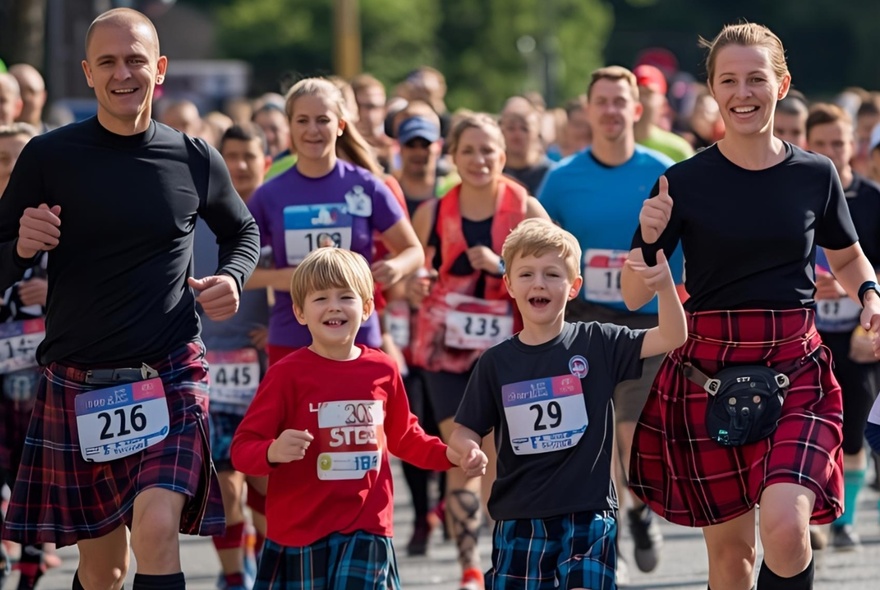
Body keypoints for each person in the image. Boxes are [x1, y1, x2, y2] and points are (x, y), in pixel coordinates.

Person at [0, 8, 261, 590]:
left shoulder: (193, 157)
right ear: (88, 73)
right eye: (110, 62)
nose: (125, 74)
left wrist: (234, 277)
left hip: (168, 371)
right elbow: (0, 255)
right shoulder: (48, 157)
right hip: (79, 381)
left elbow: (243, 231)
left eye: (136, 59)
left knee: (157, 528)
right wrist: (19, 246)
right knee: (103, 571)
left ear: (160, 68)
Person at [624, 23, 880, 590]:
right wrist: (645, 240)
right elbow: (633, 292)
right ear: (713, 91)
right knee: (733, 559)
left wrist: (870, 294)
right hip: (708, 373)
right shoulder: (681, 182)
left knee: (788, 529)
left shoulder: (816, 173)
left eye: (756, 79)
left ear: (781, 84)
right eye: (730, 80)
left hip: (796, 367)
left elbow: (847, 257)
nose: (744, 92)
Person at [447, 218, 686, 589]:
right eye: (526, 274)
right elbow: (465, 430)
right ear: (509, 284)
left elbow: (672, 335)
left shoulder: (598, 342)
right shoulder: (495, 362)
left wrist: (665, 286)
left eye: (552, 274)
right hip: (519, 516)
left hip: (588, 514)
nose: (539, 283)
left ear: (573, 287)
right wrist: (468, 451)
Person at [230, 247, 484, 589]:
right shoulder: (285, 375)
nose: (334, 306)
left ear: (366, 309)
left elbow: (406, 437)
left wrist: (449, 455)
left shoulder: (382, 369)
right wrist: (273, 451)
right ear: (300, 312)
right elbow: (242, 450)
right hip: (301, 531)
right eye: (320, 298)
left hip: (368, 527)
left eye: (345, 296)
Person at [538, 64, 677, 578]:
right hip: (585, 322)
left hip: (643, 322)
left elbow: (687, 242)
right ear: (588, 110)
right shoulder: (562, 179)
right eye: (603, 101)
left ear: (636, 110)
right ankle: (610, 525)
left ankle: (636, 509)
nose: (612, 110)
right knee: (594, 435)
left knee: (631, 435)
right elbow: (543, 248)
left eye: (622, 101)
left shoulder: (663, 169)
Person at [410, 112, 549, 590]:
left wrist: (504, 262)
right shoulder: (432, 211)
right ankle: (470, 568)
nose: (478, 159)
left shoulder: (526, 207)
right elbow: (414, 271)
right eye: (467, 150)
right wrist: (417, 282)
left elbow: (558, 263)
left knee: (501, 459)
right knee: (465, 452)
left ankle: (503, 557)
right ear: (452, 157)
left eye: (487, 150)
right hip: (447, 353)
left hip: (509, 352)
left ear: (503, 156)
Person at [245, 77, 424, 367]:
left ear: (340, 125)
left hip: (358, 336)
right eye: (302, 120)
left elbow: (413, 251)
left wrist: (396, 267)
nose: (313, 130)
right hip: (291, 339)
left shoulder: (367, 185)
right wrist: (280, 278)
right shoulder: (269, 194)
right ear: (290, 126)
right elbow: (236, 269)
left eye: (323, 120)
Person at [194, 123, 273, 590]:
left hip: (265, 373)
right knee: (222, 487)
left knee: (264, 483)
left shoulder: (272, 211)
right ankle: (233, 578)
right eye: (232, 156)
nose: (241, 165)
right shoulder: (196, 215)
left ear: (265, 158)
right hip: (207, 371)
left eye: (250, 156)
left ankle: (266, 567)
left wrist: (284, 325)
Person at [804, 102, 880, 551]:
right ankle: (811, 509)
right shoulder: (797, 191)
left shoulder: (872, 200)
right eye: (822, 144)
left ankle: (844, 521)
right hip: (806, 335)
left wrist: (863, 314)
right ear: (808, 146)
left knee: (853, 430)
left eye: (840, 143)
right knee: (810, 428)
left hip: (860, 334)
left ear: (855, 146)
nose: (832, 151)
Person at [632, 64, 695, 163]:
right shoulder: (610, 144)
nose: (641, 99)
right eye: (637, 92)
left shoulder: (678, 150)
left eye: (648, 93)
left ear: (663, 104)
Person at [499, 96, 554, 195]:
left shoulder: (552, 174)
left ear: (537, 131)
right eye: (511, 128)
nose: (517, 135)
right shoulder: (492, 174)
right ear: (500, 131)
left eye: (524, 128)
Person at [8, 64, 48, 133]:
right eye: (18, 91)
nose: (25, 98)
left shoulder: (59, 141)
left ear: (43, 97)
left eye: (31, 92)